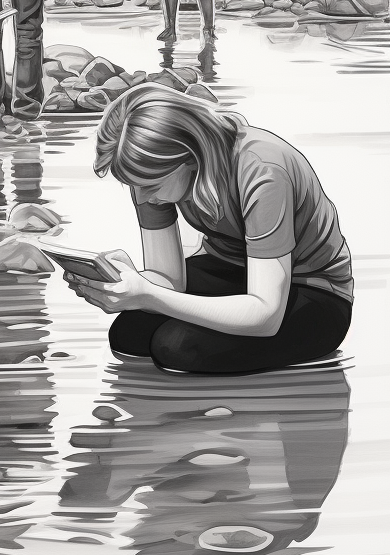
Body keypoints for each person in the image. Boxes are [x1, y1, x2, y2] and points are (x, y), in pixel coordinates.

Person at [64, 83, 352, 375]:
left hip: (310, 289)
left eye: (151, 186)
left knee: (176, 347)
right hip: (229, 268)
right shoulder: (148, 176)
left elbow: (266, 313)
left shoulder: (263, 169)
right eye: (134, 185)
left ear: (189, 159)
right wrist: (130, 282)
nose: (143, 196)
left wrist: (148, 295)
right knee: (129, 335)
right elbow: (168, 279)